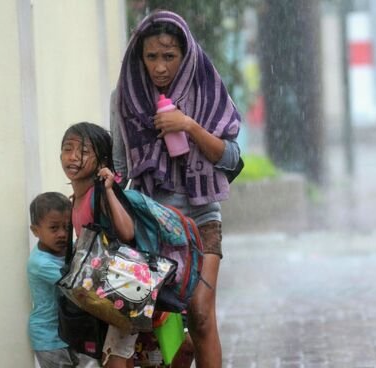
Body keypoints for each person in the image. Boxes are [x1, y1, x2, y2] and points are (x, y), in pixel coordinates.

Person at [111, 10, 242, 368]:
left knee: (199, 314)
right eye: (151, 56)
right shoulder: (124, 97)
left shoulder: (207, 90)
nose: (160, 67)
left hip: (201, 219)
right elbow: (121, 170)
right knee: (157, 322)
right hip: (153, 224)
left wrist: (189, 126)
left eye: (169, 56)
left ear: (185, 55)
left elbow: (231, 160)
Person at [60, 122, 136, 368]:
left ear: (101, 159)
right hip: (102, 295)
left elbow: (127, 232)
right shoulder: (77, 198)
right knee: (114, 360)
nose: (72, 157)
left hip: (123, 289)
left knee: (115, 360)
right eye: (67, 148)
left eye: (83, 152)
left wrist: (109, 190)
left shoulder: (99, 194)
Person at [27, 192, 80, 368]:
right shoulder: (40, 262)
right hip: (49, 337)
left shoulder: (67, 250)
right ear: (35, 230)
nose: (62, 234)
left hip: (69, 331)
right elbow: (74, 284)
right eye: (54, 228)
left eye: (67, 227)